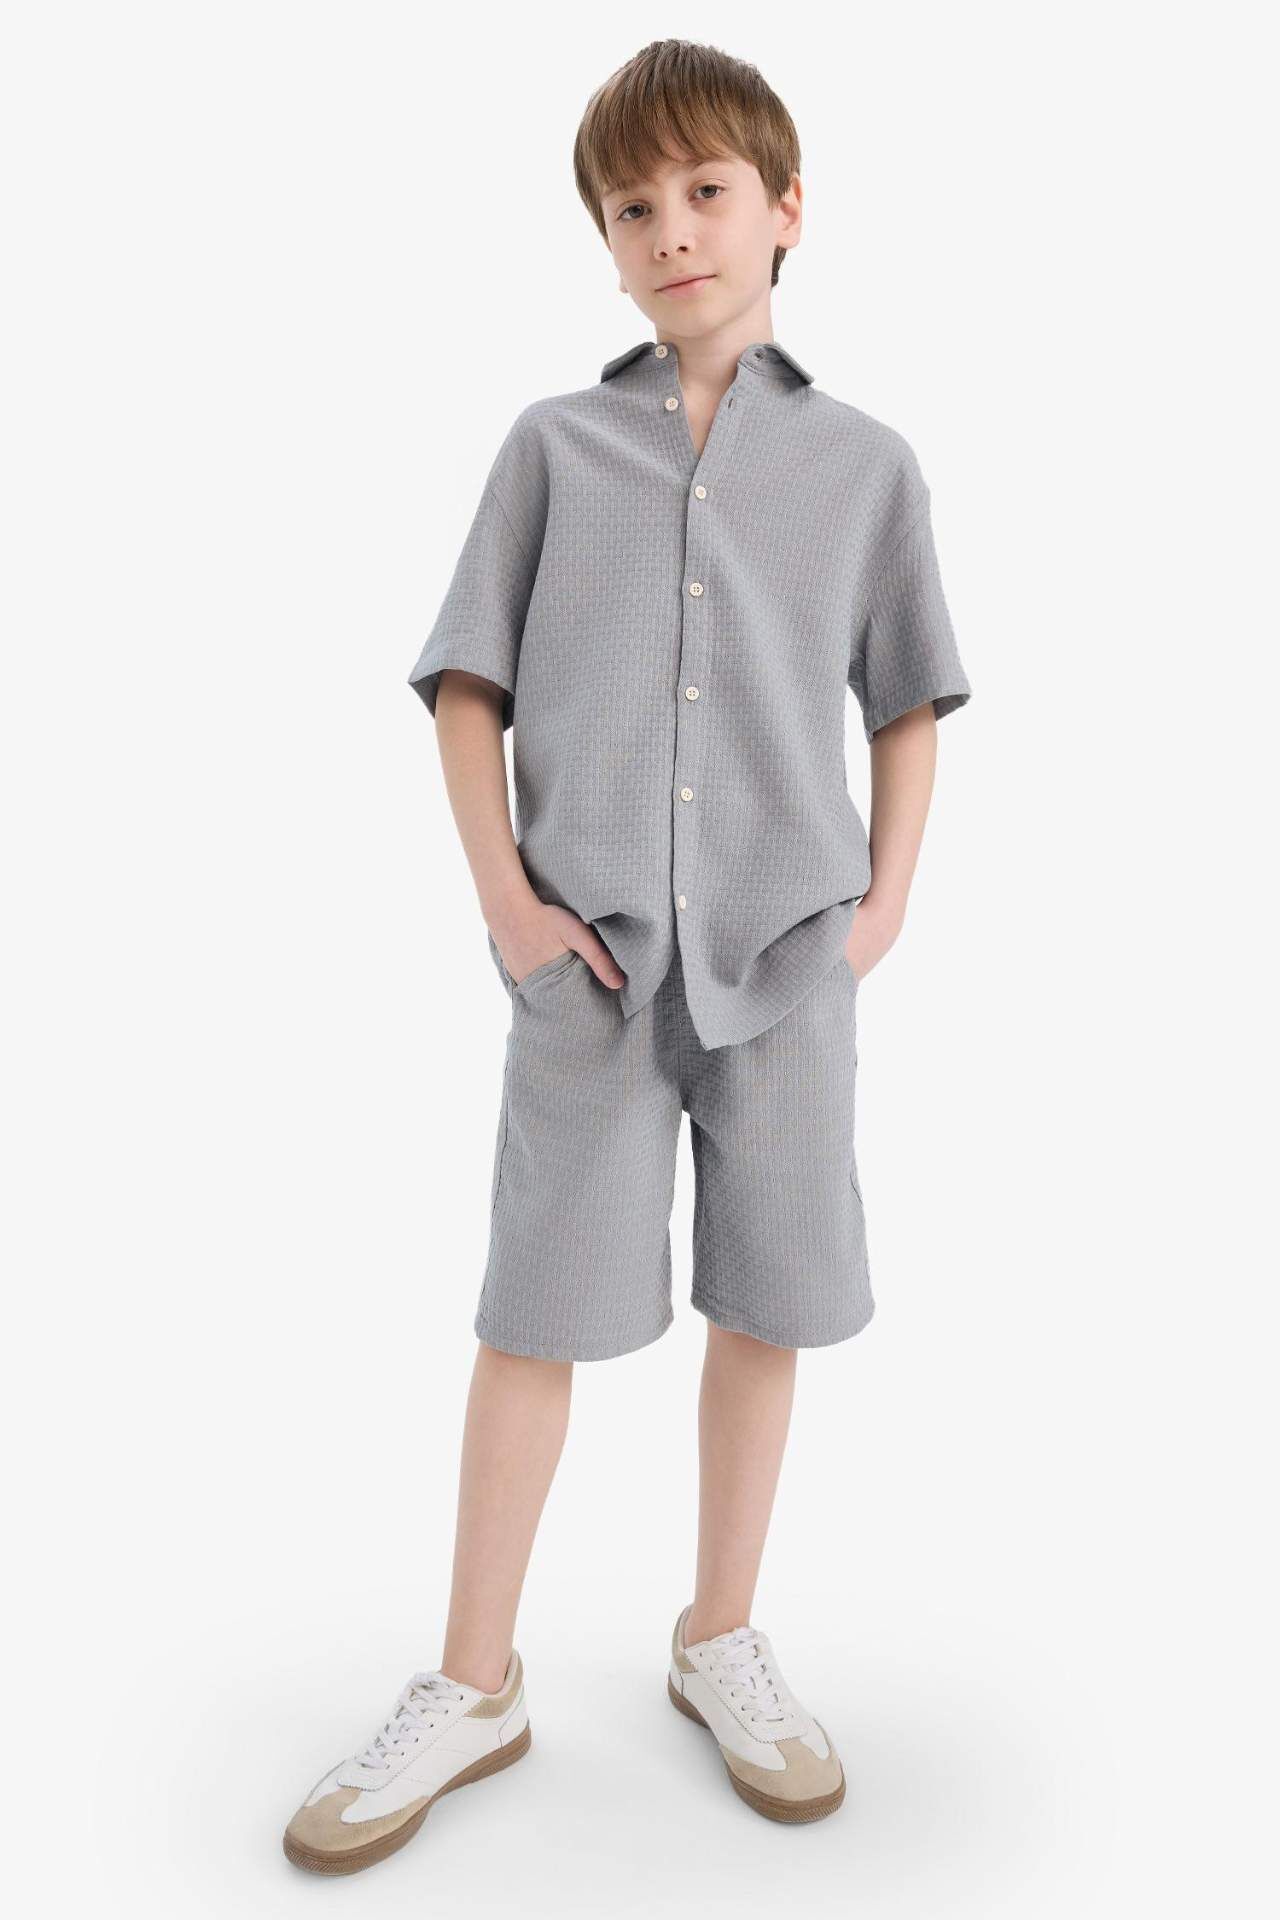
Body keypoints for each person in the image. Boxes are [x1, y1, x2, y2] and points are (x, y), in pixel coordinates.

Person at [283, 36, 972, 1874]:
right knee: (534, 1316)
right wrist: (508, 908)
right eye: (631, 208)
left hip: (787, 962)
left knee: (768, 1301)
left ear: (787, 210)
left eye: (706, 192)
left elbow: (908, 698)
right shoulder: (551, 449)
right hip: (582, 966)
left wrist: (883, 908)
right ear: (606, 246)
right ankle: (473, 1679)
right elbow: (467, 684)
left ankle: (718, 1635)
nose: (672, 230)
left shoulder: (866, 468)